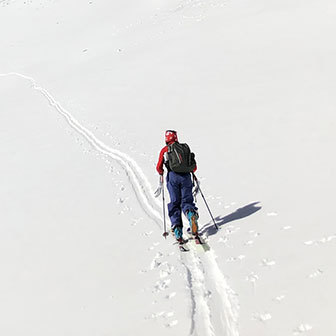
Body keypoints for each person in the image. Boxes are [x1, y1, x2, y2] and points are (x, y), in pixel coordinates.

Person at [156, 130, 199, 243]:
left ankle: (177, 229)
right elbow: (193, 167)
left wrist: (161, 172)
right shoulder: (184, 148)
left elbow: (159, 167)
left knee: (175, 203)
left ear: (166, 139)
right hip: (186, 177)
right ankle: (191, 215)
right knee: (187, 201)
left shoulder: (166, 150)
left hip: (173, 177)